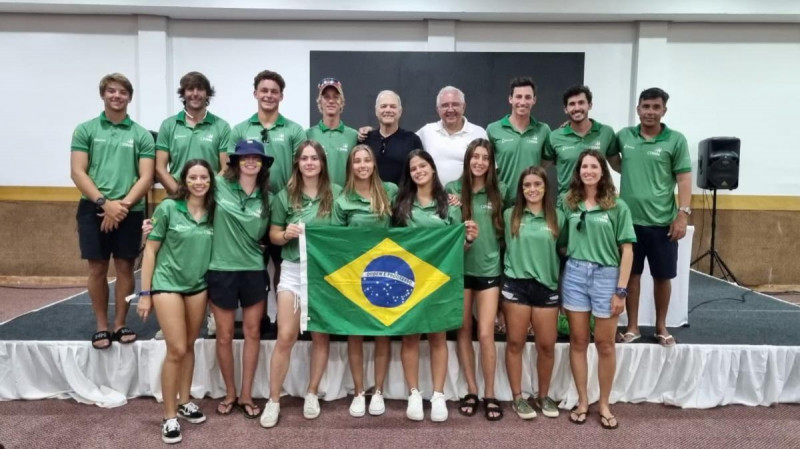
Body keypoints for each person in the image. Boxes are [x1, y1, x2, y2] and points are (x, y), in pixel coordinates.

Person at [392, 149, 478, 423]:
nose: (418, 171)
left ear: (432, 168)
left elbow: (457, 247)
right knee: (410, 337)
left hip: (440, 281)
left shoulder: (450, 204)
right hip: (409, 281)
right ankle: (414, 394)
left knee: (438, 337)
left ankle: (438, 394)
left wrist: (468, 239)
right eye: (413, 168)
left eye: (423, 166)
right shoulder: (400, 204)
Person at [70, 72, 155, 350]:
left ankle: (119, 323)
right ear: (103, 95)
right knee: (97, 267)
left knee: (125, 267)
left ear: (130, 97)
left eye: (122, 92)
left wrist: (122, 207)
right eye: (112, 91)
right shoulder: (85, 130)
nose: (117, 96)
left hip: (130, 209)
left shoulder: (141, 134)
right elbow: (78, 172)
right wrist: (105, 204)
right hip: (93, 208)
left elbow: (146, 177)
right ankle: (101, 326)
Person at [262, 140, 342, 428]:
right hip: (293, 270)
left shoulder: (337, 194)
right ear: (297, 162)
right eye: (304, 158)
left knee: (320, 336)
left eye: (314, 158)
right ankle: (273, 400)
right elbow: (273, 235)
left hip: (324, 274)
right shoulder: (285, 196)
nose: (309, 163)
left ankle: (312, 392)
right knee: (286, 336)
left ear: (322, 163)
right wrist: (286, 234)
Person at [137, 159, 215, 444]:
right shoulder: (169, 208)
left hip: (198, 286)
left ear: (210, 181)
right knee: (177, 348)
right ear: (184, 181)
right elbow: (150, 252)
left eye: (204, 177)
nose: (198, 182)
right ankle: (169, 416)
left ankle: (184, 401)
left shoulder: (214, 211)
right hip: (167, 284)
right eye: (193, 177)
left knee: (190, 345)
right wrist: (145, 294)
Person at [610, 88, 692, 346]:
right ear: (638, 109)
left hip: (663, 223)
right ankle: (633, 327)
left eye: (656, 107)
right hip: (629, 223)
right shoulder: (625, 136)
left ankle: (661, 326)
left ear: (664, 110)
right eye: (646, 106)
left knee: (662, 276)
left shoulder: (676, 140)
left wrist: (683, 214)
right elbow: (612, 157)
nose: (650, 112)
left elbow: (684, 178)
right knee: (632, 275)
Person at [561, 150, 635, 429]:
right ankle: (582, 401)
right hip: (575, 275)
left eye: (594, 166)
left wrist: (621, 290)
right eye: (584, 166)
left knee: (605, 344)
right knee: (578, 341)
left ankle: (604, 403)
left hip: (606, 277)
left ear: (603, 171)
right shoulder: (569, 203)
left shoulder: (617, 206)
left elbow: (627, 250)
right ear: (578, 171)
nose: (588, 171)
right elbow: (562, 241)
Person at [207, 140, 273, 419]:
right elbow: (187, 195)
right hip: (221, 268)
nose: (250, 161)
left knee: (252, 333)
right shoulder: (218, 186)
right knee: (223, 335)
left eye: (256, 158)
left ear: (263, 164)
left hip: (253, 270)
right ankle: (230, 392)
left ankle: (246, 393)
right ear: (235, 162)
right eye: (244, 157)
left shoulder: (268, 197)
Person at [331, 144, 397, 417]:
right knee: (355, 333)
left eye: (366, 160)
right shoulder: (342, 199)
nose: (362, 165)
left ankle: (378, 391)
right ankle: (359, 392)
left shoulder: (390, 191)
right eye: (356, 161)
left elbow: (405, 225)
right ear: (350, 167)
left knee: (382, 333)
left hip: (384, 273)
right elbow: (335, 241)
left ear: (374, 164)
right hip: (355, 277)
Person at [444, 139, 506, 421]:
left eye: (485, 157)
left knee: (485, 334)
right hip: (460, 270)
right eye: (475, 157)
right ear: (468, 159)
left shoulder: (501, 191)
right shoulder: (452, 190)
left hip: (489, 270)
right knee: (463, 331)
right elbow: (445, 230)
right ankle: (471, 389)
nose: (479, 162)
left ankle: (490, 393)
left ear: (491, 162)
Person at [501, 166, 565, 421]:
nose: (532, 189)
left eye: (537, 184)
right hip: (516, 286)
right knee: (515, 343)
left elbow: (564, 249)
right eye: (527, 185)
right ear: (521, 189)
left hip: (546, 288)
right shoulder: (510, 215)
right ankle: (518, 397)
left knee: (547, 345)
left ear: (546, 187)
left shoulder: (558, 217)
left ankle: (543, 395)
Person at [155, 72, 232, 194]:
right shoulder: (168, 125)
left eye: (200, 89)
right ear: (183, 93)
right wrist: (179, 194)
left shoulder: (222, 127)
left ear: (207, 94)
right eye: (190, 89)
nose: (195, 93)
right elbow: (160, 169)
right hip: (177, 196)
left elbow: (226, 168)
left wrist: (207, 194)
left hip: (212, 197)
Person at [543, 85, 618, 202]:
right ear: (565, 109)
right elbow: (540, 168)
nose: (577, 108)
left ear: (590, 105)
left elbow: (617, 165)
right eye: (572, 104)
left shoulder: (606, 132)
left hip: (598, 203)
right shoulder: (554, 137)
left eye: (581, 103)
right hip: (567, 204)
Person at [487, 77, 551, 194]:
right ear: (510, 99)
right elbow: (487, 165)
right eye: (518, 97)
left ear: (534, 100)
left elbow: (546, 161)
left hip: (531, 198)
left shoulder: (543, 130)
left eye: (528, 97)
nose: (522, 102)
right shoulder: (493, 129)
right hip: (502, 199)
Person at [416, 86, 487, 185]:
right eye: (445, 105)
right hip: (433, 194)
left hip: (467, 194)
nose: (450, 109)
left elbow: (490, 169)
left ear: (463, 107)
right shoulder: (426, 132)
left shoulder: (479, 133)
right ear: (438, 109)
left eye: (455, 104)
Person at [363, 90, 424, 185]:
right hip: (371, 194)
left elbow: (420, 173)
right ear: (376, 111)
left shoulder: (412, 140)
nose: (388, 110)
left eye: (393, 106)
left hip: (403, 194)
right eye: (383, 106)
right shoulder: (365, 139)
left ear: (400, 111)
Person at [306, 77, 358, 186]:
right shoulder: (308, 134)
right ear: (320, 102)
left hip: (345, 195)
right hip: (317, 195)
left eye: (336, 97)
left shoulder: (353, 136)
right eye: (326, 97)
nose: (331, 101)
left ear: (342, 102)